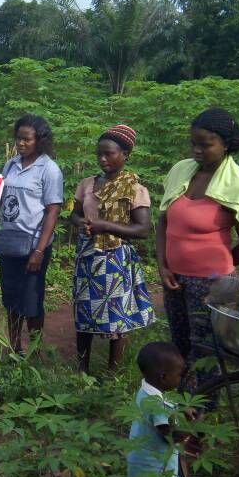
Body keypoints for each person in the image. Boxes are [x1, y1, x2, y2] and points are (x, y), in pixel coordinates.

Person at [156, 108, 239, 389]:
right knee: (179, 342)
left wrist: (218, 269)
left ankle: (205, 407)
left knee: (205, 349)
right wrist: (163, 264)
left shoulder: (236, 184)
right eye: (193, 143)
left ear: (225, 143)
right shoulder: (181, 171)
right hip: (174, 277)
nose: (197, 150)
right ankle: (181, 399)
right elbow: (163, 221)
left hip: (212, 283)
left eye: (205, 144)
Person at [69, 125, 155, 373]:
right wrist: (82, 222)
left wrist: (105, 225)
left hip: (115, 258)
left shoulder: (134, 189)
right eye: (99, 154)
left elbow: (142, 230)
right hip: (88, 257)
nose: (103, 159)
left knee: (117, 316)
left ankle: (112, 374)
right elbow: (73, 216)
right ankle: (82, 370)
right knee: (84, 312)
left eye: (109, 154)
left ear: (125, 154)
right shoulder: (87, 184)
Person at [0, 115, 63, 353]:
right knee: (11, 299)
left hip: (34, 245)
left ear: (40, 140)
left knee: (31, 302)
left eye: (27, 139)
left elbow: (53, 211)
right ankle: (13, 348)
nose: (21, 143)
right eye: (18, 138)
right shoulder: (11, 165)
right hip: (9, 242)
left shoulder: (49, 170)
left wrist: (39, 250)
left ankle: (33, 351)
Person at [124, 341, 190, 477]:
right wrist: (187, 434)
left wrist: (180, 408)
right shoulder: (155, 402)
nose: (180, 379)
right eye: (179, 375)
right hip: (155, 465)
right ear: (163, 377)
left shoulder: (146, 390)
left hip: (141, 458)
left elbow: (164, 409)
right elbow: (165, 430)